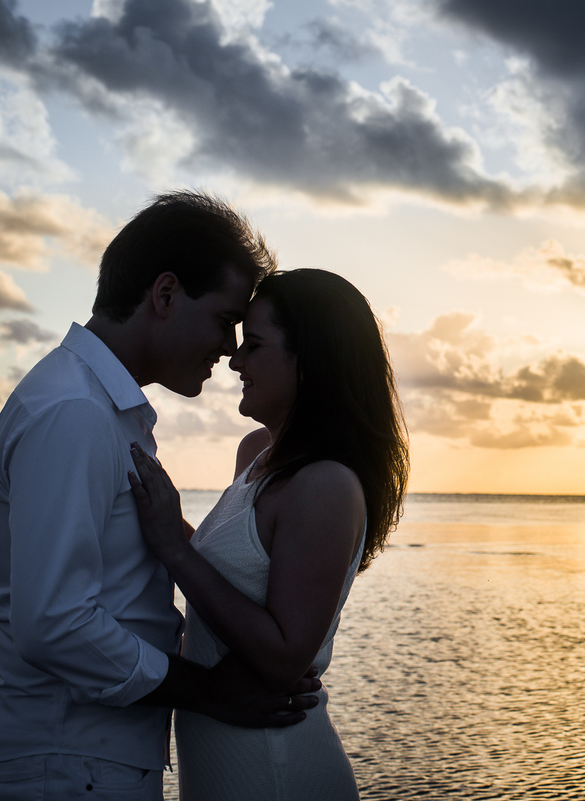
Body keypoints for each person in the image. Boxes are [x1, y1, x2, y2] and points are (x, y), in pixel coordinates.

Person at [0, 191, 322, 801]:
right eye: (223, 319)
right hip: (64, 767)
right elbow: (54, 624)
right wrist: (211, 693)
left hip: (83, 764)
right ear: (165, 295)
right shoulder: (73, 414)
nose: (231, 348)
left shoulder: (99, 410)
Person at [128, 268, 409, 799]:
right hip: (222, 760)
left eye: (253, 345)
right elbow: (232, 572)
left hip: (274, 766)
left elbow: (284, 657)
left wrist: (171, 547)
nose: (235, 361)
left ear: (311, 362)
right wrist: (158, 521)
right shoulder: (255, 453)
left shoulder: (325, 483)